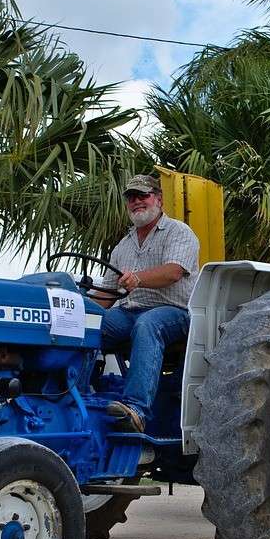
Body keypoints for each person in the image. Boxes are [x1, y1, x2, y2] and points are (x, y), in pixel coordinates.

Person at [95, 173, 200, 432]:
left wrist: (138, 279)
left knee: (147, 325)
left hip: (175, 313)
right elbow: (107, 292)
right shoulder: (123, 245)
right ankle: (79, 395)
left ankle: (136, 409)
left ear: (159, 199)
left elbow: (174, 271)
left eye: (143, 195)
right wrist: (81, 314)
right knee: (91, 326)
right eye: (131, 197)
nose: (137, 201)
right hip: (129, 312)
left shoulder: (179, 232)